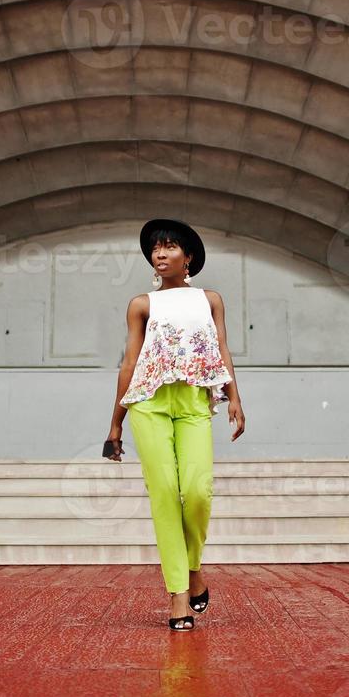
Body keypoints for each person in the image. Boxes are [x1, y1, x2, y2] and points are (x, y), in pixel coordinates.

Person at [105, 218, 246, 631]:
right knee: (165, 493)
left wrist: (235, 397)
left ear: (189, 258)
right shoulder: (142, 304)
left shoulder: (210, 299)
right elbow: (129, 364)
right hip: (149, 403)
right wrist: (115, 424)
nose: (159, 254)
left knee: (197, 491)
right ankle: (178, 595)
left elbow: (221, 349)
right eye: (155, 248)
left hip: (194, 401)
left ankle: (194, 568)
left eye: (168, 247)